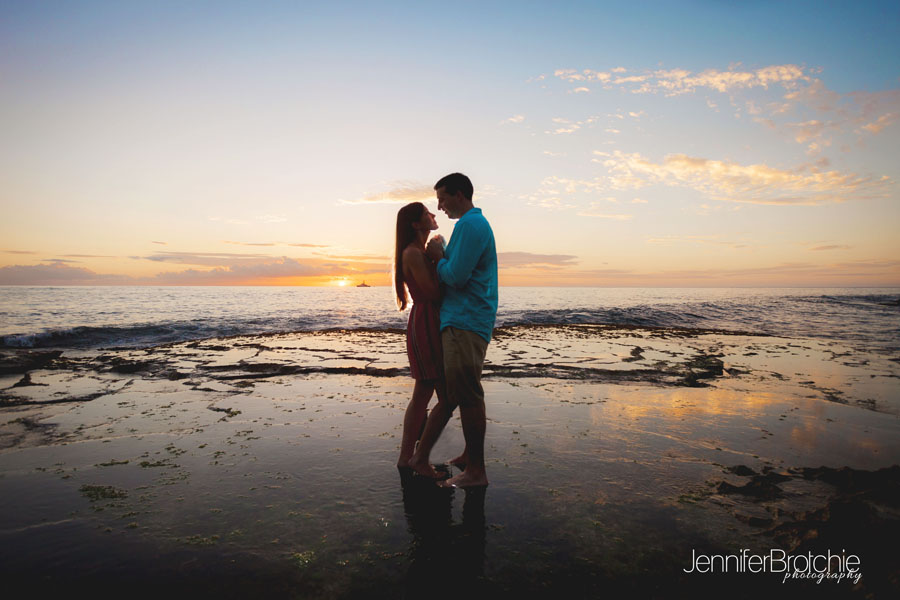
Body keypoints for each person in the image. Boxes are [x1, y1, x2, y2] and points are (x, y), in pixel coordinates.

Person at [408, 173, 498, 488]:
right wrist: (444, 252)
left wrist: (437, 257)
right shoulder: (471, 226)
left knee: (469, 395)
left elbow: (456, 276)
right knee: (462, 393)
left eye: (442, 199)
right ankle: (467, 457)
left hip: (465, 319)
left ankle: (476, 471)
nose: (439, 206)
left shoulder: (471, 226)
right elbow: (460, 269)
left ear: (459, 195)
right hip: (468, 318)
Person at [394, 201, 449, 470]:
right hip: (427, 323)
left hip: (429, 321)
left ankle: (409, 458)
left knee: (424, 393)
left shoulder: (419, 251)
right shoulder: (413, 253)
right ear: (416, 224)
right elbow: (433, 294)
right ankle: (415, 458)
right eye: (427, 213)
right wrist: (439, 258)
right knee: (438, 395)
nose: (433, 214)